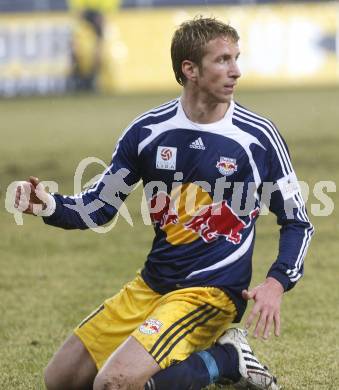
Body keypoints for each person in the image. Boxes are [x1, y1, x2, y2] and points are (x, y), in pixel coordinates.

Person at [15, 17, 313, 390]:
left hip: (212, 292)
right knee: (60, 380)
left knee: (114, 384)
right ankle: (226, 357)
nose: (236, 71)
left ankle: (222, 360)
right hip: (153, 284)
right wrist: (47, 205)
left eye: (236, 58)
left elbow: (297, 221)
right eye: (222, 60)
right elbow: (99, 206)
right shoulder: (147, 132)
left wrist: (277, 282)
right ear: (190, 69)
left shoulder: (257, 137)